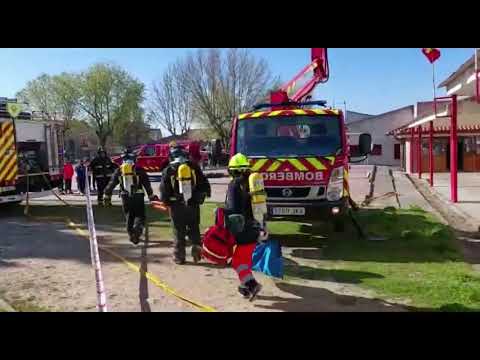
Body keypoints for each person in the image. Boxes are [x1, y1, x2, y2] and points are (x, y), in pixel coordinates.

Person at [160, 144, 211, 264]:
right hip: (193, 204)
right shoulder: (193, 166)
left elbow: (164, 189)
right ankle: (197, 251)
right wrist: (203, 196)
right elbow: (204, 183)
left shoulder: (168, 169)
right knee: (194, 228)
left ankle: (179, 257)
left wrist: (166, 201)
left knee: (178, 231)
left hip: (176, 206)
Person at [225, 153, 263, 300]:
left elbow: (234, 209)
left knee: (237, 262)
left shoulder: (235, 184)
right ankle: (245, 287)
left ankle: (252, 285)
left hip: (243, 229)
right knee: (244, 259)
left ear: (233, 170)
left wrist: (223, 212)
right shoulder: (253, 181)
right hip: (255, 227)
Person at [104, 148, 158, 245]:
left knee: (129, 216)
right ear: (134, 159)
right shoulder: (139, 170)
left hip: (125, 197)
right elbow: (147, 184)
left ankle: (131, 234)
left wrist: (107, 196)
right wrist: (151, 196)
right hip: (138, 196)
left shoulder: (119, 171)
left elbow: (111, 184)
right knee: (140, 215)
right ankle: (137, 229)